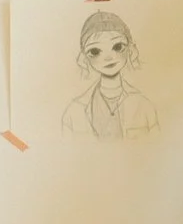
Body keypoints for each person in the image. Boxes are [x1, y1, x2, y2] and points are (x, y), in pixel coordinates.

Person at [61, 9, 160, 140]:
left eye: (118, 47)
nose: (108, 58)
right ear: (84, 58)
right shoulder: (73, 112)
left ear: (131, 50)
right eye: (95, 51)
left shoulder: (145, 106)